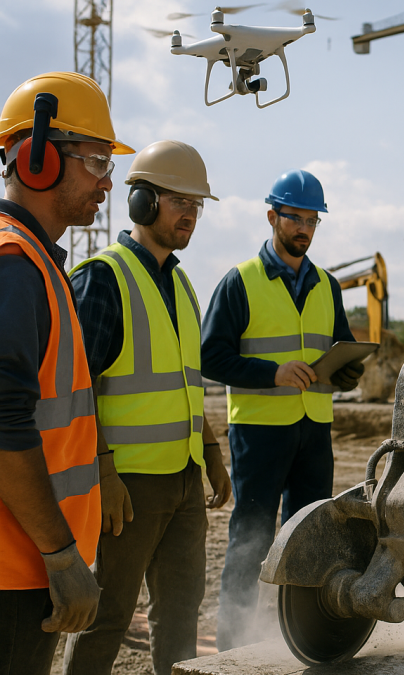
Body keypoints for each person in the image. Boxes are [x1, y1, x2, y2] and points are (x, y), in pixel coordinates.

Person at [62, 140, 231, 675]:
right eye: (180, 201)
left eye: (196, 205)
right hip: (126, 487)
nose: (191, 215)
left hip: (182, 481)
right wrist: (104, 472)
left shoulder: (181, 283)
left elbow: (185, 384)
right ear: (141, 203)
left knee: (180, 615)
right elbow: (73, 392)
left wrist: (211, 452)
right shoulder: (103, 279)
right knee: (106, 615)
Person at [0, 71, 133, 675]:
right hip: (16, 572)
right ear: (36, 158)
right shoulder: (14, 266)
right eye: (97, 160)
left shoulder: (37, 265)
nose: (109, 181)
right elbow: (3, 419)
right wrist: (60, 556)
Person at [202, 169, 361, 650]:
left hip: (314, 432)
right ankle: (233, 649)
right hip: (258, 431)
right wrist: (271, 373)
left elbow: (342, 346)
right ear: (273, 216)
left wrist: (350, 369)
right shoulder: (240, 282)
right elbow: (210, 356)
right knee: (249, 542)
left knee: (311, 540)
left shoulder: (327, 285)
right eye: (296, 219)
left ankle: (298, 641)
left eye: (313, 221)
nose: (305, 230)